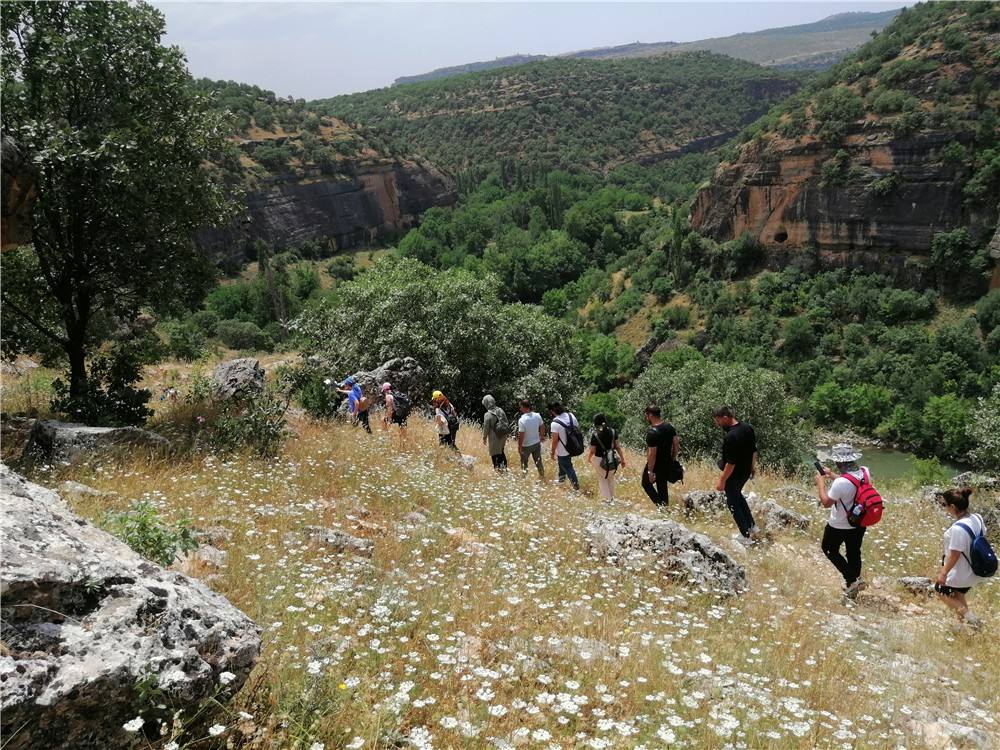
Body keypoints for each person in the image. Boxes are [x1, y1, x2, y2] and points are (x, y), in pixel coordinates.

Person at [814, 444, 869, 600]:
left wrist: (821, 483)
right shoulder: (864, 472)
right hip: (859, 522)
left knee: (829, 548)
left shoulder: (840, 484)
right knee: (853, 552)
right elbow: (850, 482)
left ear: (838, 462)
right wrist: (831, 475)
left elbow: (826, 503)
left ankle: (852, 581)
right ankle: (854, 585)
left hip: (839, 524)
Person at [935, 487, 987, 630]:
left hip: (962, 571)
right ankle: (960, 626)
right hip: (975, 567)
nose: (944, 508)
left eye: (944, 505)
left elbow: (955, 555)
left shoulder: (958, 529)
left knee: (940, 590)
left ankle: (972, 619)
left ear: (952, 507)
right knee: (958, 594)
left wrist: (943, 573)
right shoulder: (977, 518)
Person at [713, 406, 760, 543]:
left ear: (726, 417)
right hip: (745, 472)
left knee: (733, 502)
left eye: (718, 420)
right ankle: (752, 526)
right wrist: (752, 468)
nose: (718, 424)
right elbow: (753, 451)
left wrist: (722, 481)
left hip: (733, 475)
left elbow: (730, 463)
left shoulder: (731, 437)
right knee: (738, 496)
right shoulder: (747, 428)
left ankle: (745, 536)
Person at [642, 406, 678, 508]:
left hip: (656, 464)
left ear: (650, 415)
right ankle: (664, 508)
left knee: (646, 483)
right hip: (667, 461)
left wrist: (650, 471)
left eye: (646, 415)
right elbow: (676, 444)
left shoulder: (652, 433)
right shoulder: (669, 427)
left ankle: (661, 507)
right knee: (662, 487)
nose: (646, 418)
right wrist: (673, 458)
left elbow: (652, 454)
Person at [588, 413, 625, 503]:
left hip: (599, 460)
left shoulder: (595, 434)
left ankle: (607, 500)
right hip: (612, 458)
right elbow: (618, 447)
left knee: (602, 478)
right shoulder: (613, 431)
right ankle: (611, 498)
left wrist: (589, 458)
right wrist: (623, 460)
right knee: (610, 478)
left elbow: (593, 450)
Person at [548, 402, 580, 490]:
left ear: (552, 411)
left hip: (563, 449)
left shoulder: (555, 423)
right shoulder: (571, 416)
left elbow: (555, 440)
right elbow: (577, 428)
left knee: (567, 466)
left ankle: (576, 487)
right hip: (574, 446)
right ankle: (561, 480)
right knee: (562, 463)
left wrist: (552, 452)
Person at [516, 399, 545, 478]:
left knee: (524, 462)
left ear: (524, 407)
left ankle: (524, 477)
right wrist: (542, 437)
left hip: (526, 445)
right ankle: (542, 476)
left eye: (521, 407)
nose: (520, 408)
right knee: (538, 461)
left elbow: (521, 435)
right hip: (536, 443)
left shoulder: (522, 420)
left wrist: (519, 447)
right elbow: (542, 426)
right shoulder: (537, 415)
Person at [481, 395, 509, 472]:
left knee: (494, 453)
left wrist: (484, 437)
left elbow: (486, 428)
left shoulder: (487, 414)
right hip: (503, 434)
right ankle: (505, 468)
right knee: (501, 451)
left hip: (494, 436)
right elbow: (506, 422)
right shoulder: (500, 410)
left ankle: (498, 470)